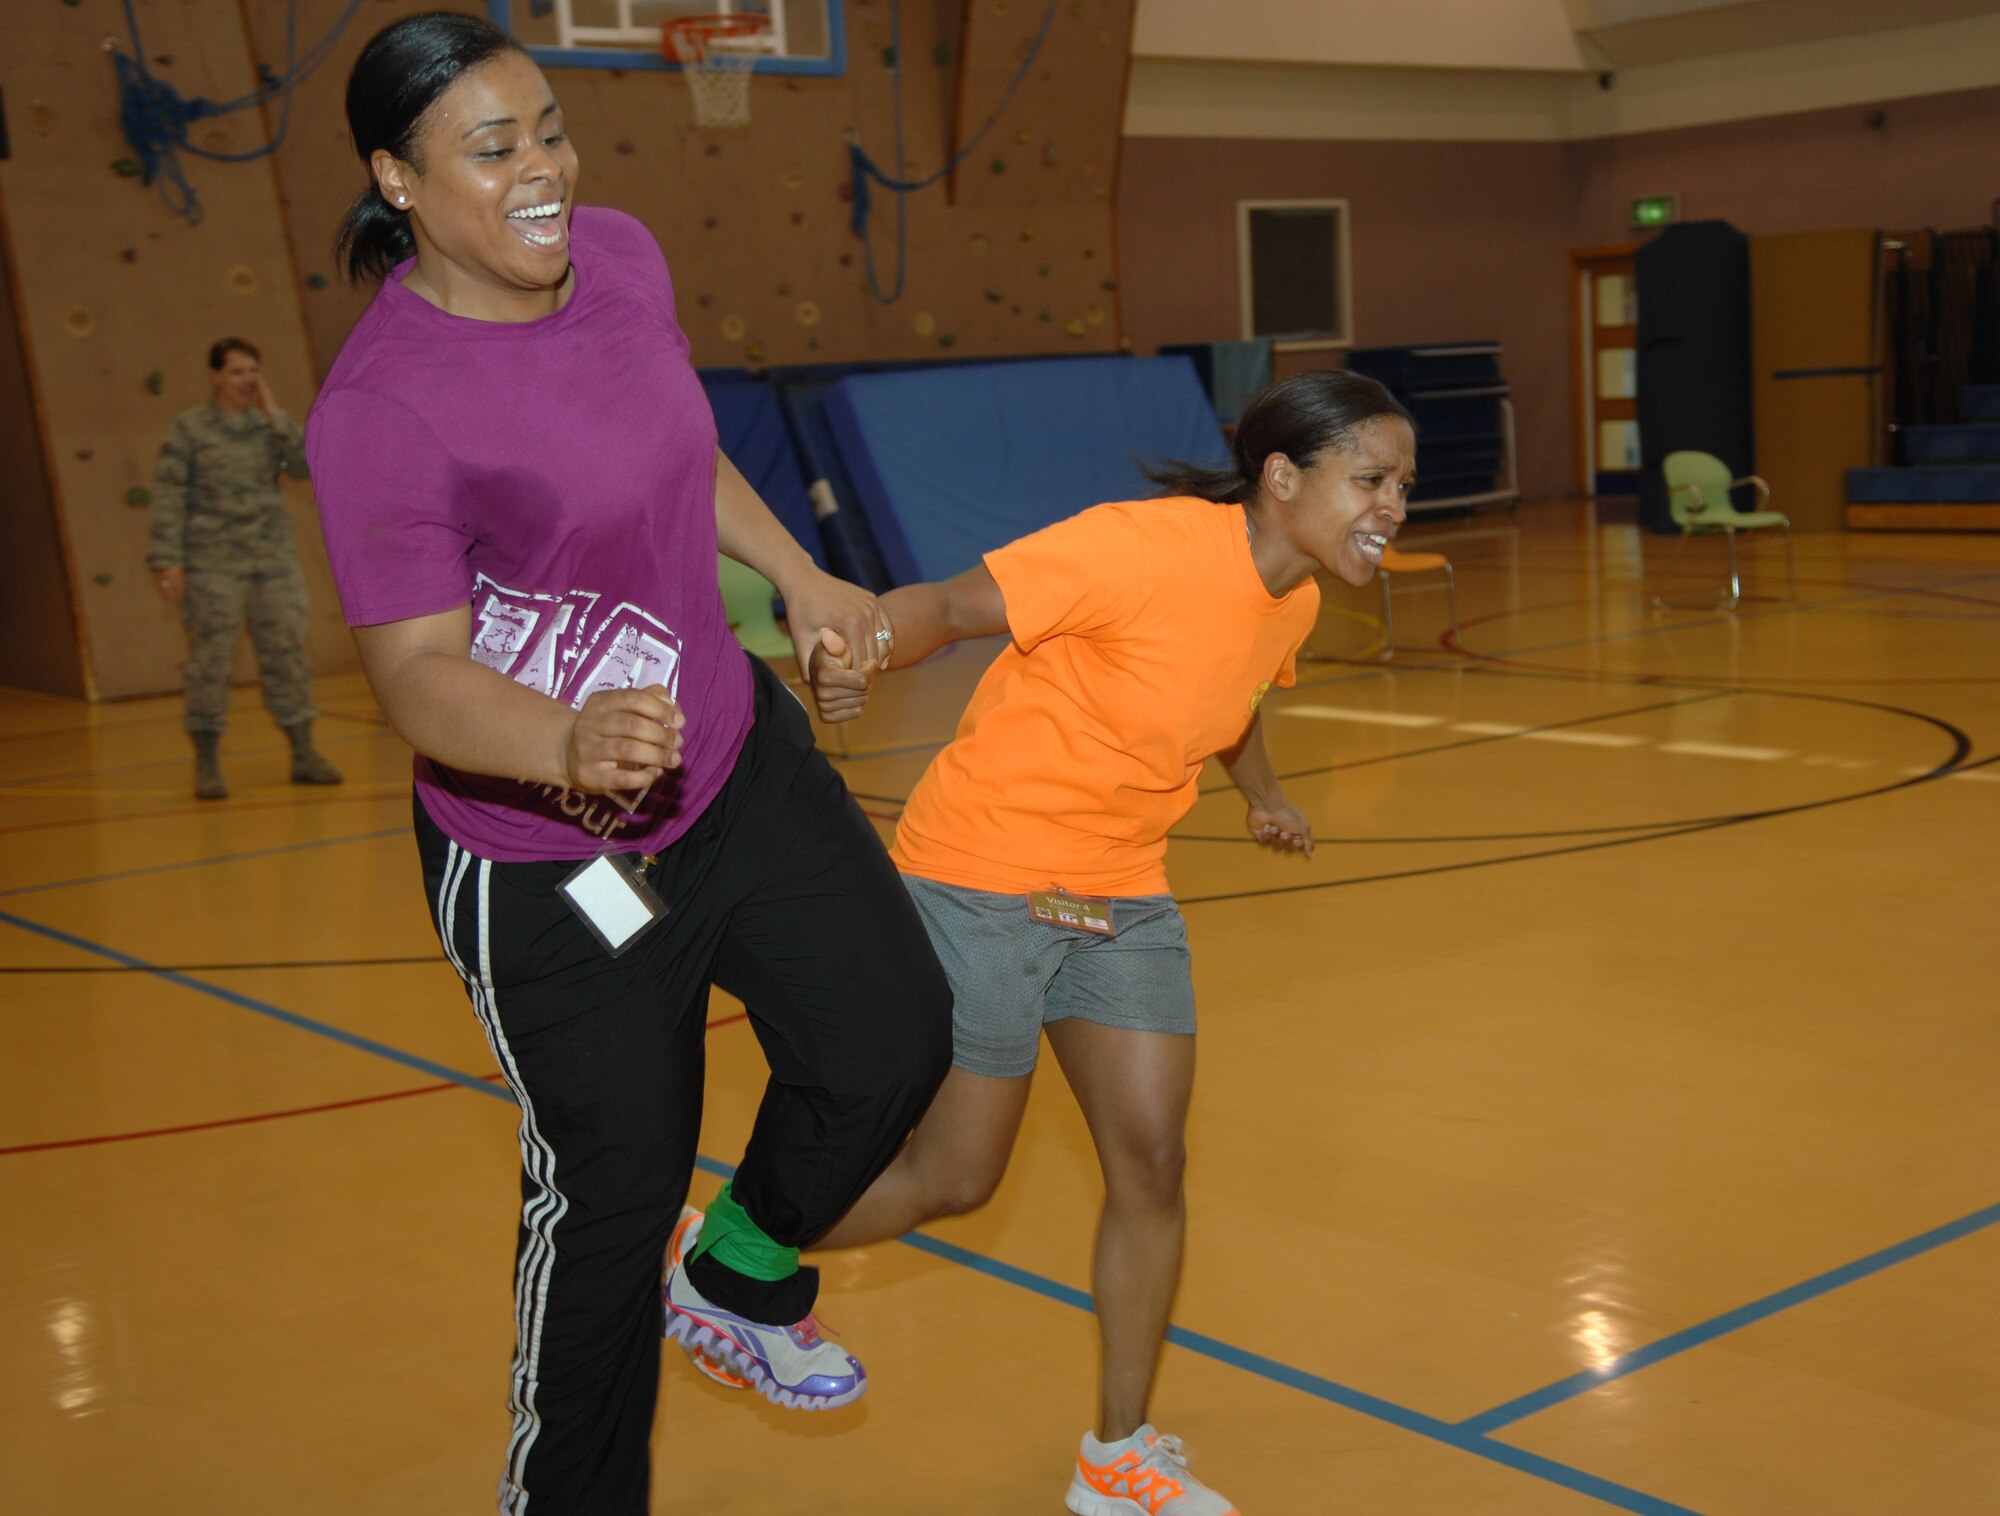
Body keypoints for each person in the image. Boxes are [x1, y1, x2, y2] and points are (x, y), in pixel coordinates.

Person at [304, 14, 950, 1514]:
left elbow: (679, 444)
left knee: (892, 1035)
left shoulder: (622, 258)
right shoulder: (383, 409)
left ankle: (738, 1274)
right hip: (550, 867)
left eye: (549, 131)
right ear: (396, 178)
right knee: (610, 1197)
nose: (542, 171)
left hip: (733, 761)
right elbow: (412, 674)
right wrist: (563, 743)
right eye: (492, 147)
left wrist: (802, 576)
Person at [788, 370, 1417, 1515]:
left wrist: (1260, 795)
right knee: (955, 1177)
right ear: (1282, 478)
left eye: (1402, 485)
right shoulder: (1140, 548)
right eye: (1369, 479)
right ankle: (725, 1243)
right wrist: (861, 643)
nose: (1392, 505)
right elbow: (953, 604)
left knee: (1153, 1163)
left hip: (1117, 888)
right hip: (982, 870)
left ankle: (1115, 1454)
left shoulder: (1295, 599)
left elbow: (1237, 693)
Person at [147, 338, 343, 799]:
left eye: (254, 370)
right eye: (237, 372)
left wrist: (275, 414)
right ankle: (208, 761)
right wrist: (167, 560)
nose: (248, 380)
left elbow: (305, 467)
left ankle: (303, 751)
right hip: (213, 563)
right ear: (216, 376)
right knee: (210, 663)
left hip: (271, 561)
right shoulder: (190, 429)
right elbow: (171, 495)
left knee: (287, 654)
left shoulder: (268, 428)